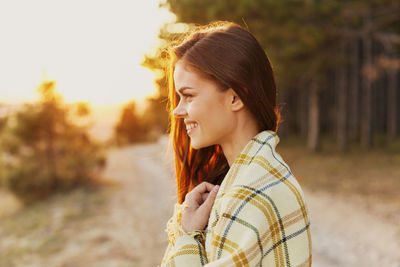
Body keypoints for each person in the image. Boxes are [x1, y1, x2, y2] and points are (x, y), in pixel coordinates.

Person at [160, 21, 312, 267]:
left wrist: (188, 236)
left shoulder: (253, 192)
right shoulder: (249, 179)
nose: (177, 110)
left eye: (188, 95)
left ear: (235, 96)